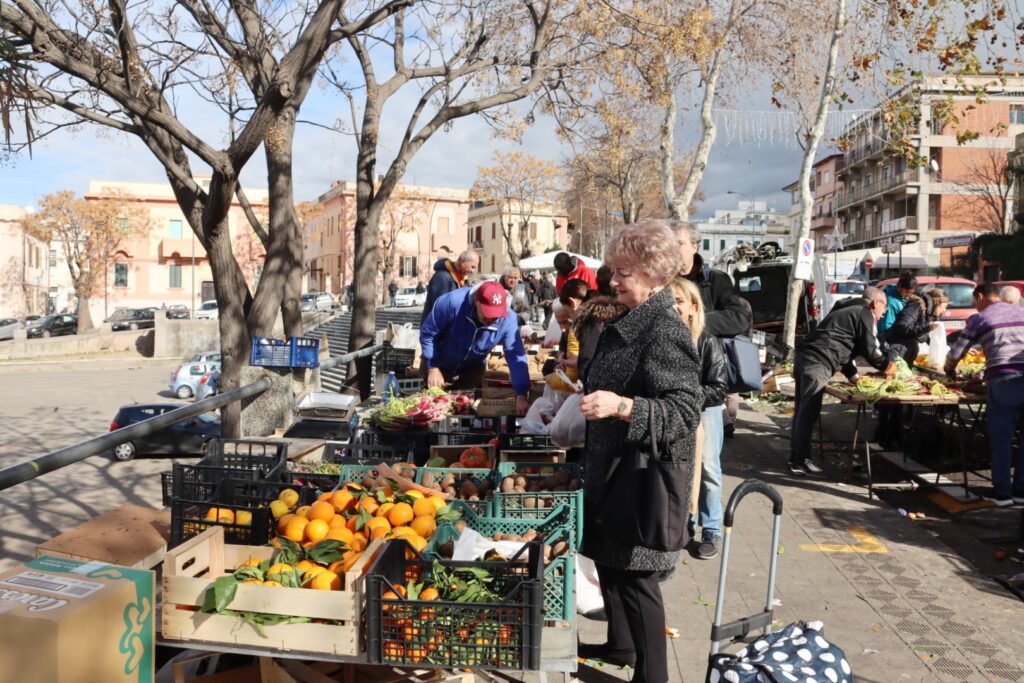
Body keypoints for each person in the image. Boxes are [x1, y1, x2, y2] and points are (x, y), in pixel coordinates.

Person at [578, 219, 703, 681]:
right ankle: (622, 646)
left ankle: (654, 676)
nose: (613, 281)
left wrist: (622, 406)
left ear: (652, 274)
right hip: (615, 471)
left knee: (636, 580)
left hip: (638, 477)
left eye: (623, 273)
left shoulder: (663, 329)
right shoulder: (630, 319)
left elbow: (684, 409)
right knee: (612, 566)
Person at [790, 287, 894, 475]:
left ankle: (795, 458)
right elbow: (871, 350)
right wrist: (887, 366)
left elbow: (843, 346)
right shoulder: (865, 313)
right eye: (884, 307)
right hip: (817, 362)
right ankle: (801, 460)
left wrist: (853, 376)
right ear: (876, 303)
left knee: (801, 412)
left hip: (805, 358)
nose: (884, 312)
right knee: (808, 413)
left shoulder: (845, 309)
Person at [945, 283, 1024, 506]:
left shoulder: (981, 317)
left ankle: (1002, 494)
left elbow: (957, 351)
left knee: (1002, 439)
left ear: (980, 297)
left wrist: (949, 370)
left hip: (1003, 381)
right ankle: (1020, 492)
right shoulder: (1022, 311)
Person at [671, 276, 728, 560]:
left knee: (707, 469)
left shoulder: (707, 342)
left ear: (694, 307)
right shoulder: (666, 338)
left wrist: (687, 396)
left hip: (705, 412)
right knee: (681, 469)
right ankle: (685, 523)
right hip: (675, 411)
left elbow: (719, 387)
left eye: (679, 301)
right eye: (669, 301)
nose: (673, 306)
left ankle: (711, 529)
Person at [419, 281, 530, 416]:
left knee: (466, 413)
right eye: (488, 313)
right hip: (439, 362)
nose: (491, 319)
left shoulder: (508, 319)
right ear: (477, 301)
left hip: (473, 368)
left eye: (496, 315)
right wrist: (432, 367)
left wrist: (521, 394)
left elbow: (515, 354)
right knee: (431, 412)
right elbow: (428, 334)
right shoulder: (452, 303)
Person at [873, 288, 949, 449]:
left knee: (897, 399)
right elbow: (902, 329)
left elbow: (917, 335)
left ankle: (893, 437)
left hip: (903, 354)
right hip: (896, 354)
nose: (944, 310)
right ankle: (884, 438)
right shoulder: (915, 307)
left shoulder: (924, 312)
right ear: (937, 302)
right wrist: (928, 328)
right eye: (944, 306)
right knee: (892, 398)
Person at [673, 222, 751, 338]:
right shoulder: (659, 282)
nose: (674, 248)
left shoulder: (714, 279)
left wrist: (694, 321)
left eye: (680, 243)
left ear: (695, 247)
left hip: (704, 354)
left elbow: (739, 318)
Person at [724, 297, 754, 438]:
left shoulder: (724, 302)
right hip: (740, 345)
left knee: (720, 388)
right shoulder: (745, 303)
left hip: (725, 345)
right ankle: (731, 421)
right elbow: (750, 326)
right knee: (732, 389)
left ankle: (725, 421)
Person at [421, 249, 479, 323]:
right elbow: (439, 308)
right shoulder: (441, 276)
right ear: (463, 261)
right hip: (436, 330)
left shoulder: (461, 279)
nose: (472, 271)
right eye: (472, 267)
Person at [878, 272, 917, 337]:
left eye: (911, 293)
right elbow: (887, 326)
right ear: (900, 287)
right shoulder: (891, 301)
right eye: (907, 292)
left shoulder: (900, 296)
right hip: (888, 337)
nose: (909, 295)